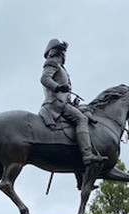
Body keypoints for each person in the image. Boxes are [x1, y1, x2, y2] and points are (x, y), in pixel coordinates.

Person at [39, 38, 107, 166]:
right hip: (55, 104)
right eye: (61, 53)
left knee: (87, 111)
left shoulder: (61, 68)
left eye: (63, 53)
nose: (64, 56)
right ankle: (87, 154)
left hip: (64, 103)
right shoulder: (52, 63)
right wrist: (58, 87)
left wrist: (72, 101)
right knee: (81, 119)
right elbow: (44, 79)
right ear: (55, 53)